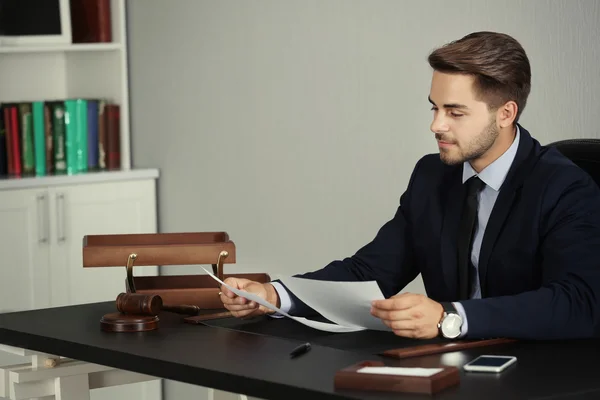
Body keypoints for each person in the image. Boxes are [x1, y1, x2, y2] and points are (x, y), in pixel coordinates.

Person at [219, 31, 600, 340]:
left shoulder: (565, 187)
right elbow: (370, 270)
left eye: (455, 112)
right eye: (434, 107)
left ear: (505, 113)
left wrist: (449, 317)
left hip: (539, 376)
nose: (436, 125)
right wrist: (275, 295)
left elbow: (577, 302)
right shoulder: (432, 176)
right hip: (447, 368)